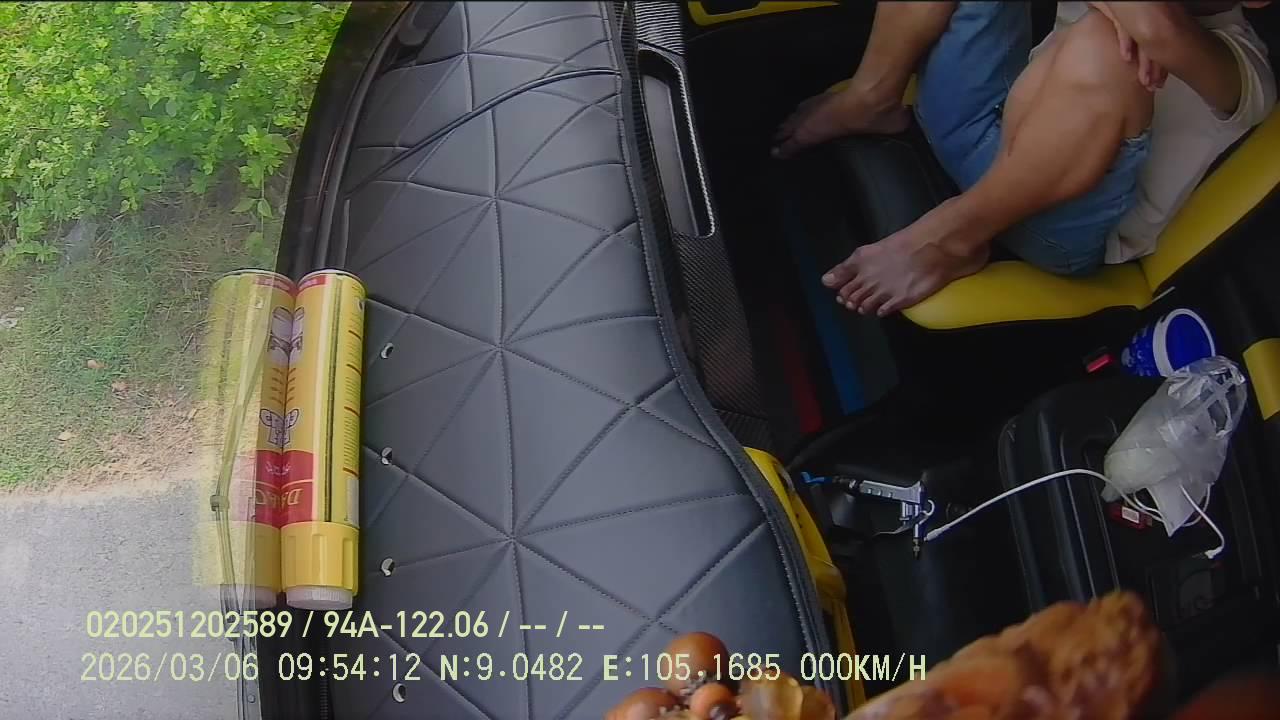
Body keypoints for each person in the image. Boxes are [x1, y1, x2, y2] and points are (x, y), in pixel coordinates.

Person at [772, 2, 1275, 317]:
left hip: (1051, 224)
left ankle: (953, 237)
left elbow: (1158, 31)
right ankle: (871, 98)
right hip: (989, 122)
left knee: (1107, 48)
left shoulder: (1244, 71)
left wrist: (1133, 20)